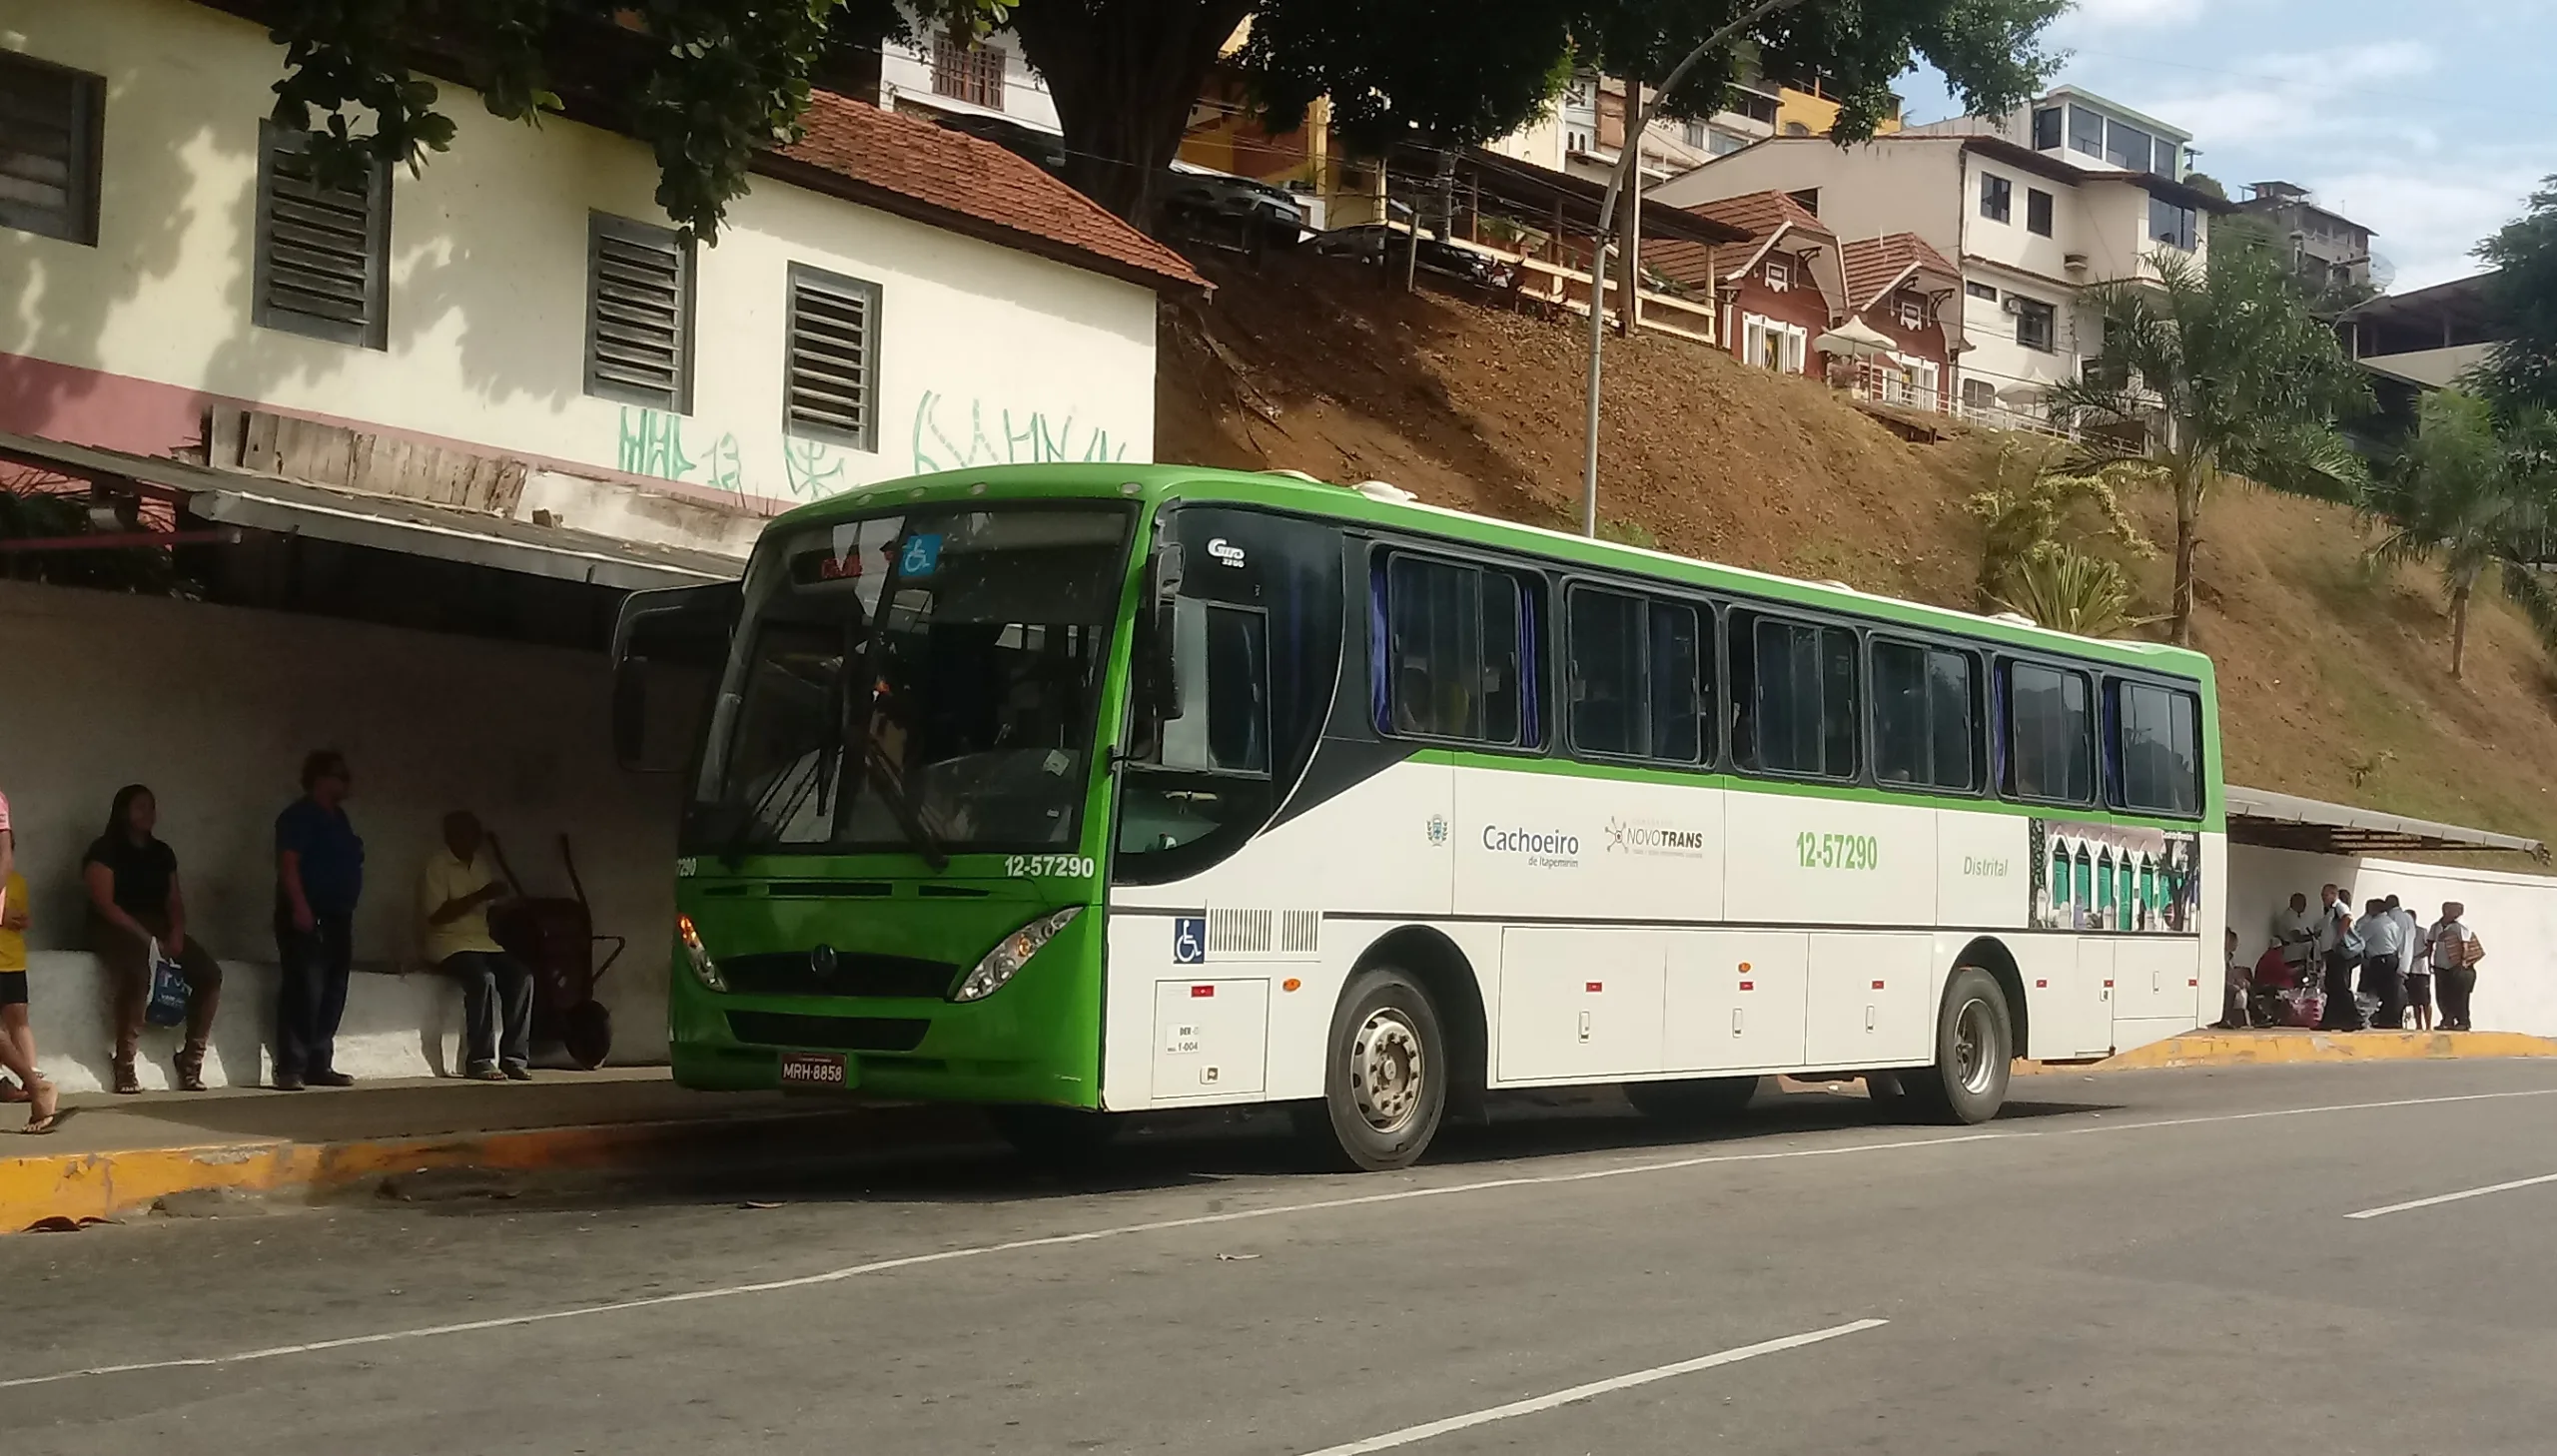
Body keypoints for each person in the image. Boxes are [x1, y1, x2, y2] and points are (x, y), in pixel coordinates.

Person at [84, 785, 225, 1093]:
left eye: (151, 807)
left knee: (209, 974)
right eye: (139, 807)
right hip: (115, 926)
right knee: (138, 973)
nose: (148, 814)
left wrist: (175, 931)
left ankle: (191, 1060)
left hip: (157, 925)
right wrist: (146, 938)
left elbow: (174, 899)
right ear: (123, 812)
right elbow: (105, 904)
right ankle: (124, 1064)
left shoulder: (162, 853)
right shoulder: (105, 850)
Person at [419, 811, 533, 1082]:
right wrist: (481, 895)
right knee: (483, 979)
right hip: (447, 942)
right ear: (451, 836)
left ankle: (514, 1058)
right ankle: (480, 1060)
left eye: (476, 834)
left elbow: (486, 908)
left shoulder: (479, 864)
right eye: (469, 834)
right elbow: (436, 916)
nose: (475, 840)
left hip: (483, 942)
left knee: (522, 977)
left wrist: (505, 905)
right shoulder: (437, 866)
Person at [274, 750, 365, 1091]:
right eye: (340, 775)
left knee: (332, 990)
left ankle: (319, 1063)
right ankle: (291, 1066)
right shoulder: (298, 816)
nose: (346, 782)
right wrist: (299, 906)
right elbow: (289, 863)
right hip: (307, 911)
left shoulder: (339, 818)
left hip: (338, 914)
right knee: (304, 988)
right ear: (320, 779)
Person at [0, 860, 57, 1131]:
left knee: (16, 1020)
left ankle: (34, 1084)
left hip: (9, 962)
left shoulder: (11, 879)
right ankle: (34, 1084)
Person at [2314, 885, 2363, 1031]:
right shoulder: (2329, 912)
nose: (2323, 899)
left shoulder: (2339, 906)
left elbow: (2347, 918)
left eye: (2326, 895)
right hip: (2331, 953)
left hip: (2339, 953)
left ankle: (2355, 1018)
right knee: (2333, 986)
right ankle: (2330, 1020)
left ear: (2334, 894)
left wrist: (2338, 938)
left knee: (2340, 986)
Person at [2429, 903, 2484, 1032]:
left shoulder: (2461, 926)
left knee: (2459, 996)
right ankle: (2447, 1020)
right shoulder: (2436, 926)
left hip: (2457, 966)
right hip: (2440, 965)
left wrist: (2463, 963)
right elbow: (2430, 944)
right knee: (2442, 995)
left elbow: (2465, 945)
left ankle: (2463, 1021)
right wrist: (2429, 962)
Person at [2357, 897, 2405, 1033]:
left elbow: (2360, 939)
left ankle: (2366, 1017)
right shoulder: (2392, 923)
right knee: (2389, 991)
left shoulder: (2374, 923)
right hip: (2392, 957)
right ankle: (2389, 1020)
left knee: (2371, 990)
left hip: (2379, 959)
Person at [2400, 895, 2436, 1032]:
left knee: (2425, 1001)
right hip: (2409, 970)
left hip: (2421, 969)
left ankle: (2428, 1026)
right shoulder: (2404, 932)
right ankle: (2418, 1025)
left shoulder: (2422, 931)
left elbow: (2429, 949)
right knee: (2415, 1001)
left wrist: (2416, 956)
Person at [2215, 927, 2253, 1030]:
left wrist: (2240, 981)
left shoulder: (2230, 957)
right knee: (2232, 990)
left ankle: (2248, 1018)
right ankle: (2225, 1019)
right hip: (2218, 982)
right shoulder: (2218, 955)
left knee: (2244, 988)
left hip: (2228, 981)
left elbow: (2232, 972)